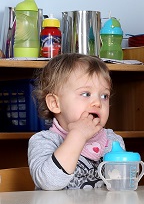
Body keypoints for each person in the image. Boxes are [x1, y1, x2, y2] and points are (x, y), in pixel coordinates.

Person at [28, 53, 125, 190]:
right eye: (86, 94)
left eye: (104, 96)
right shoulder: (44, 141)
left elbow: (121, 188)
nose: (97, 102)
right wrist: (78, 136)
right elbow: (49, 182)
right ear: (55, 103)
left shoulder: (113, 141)